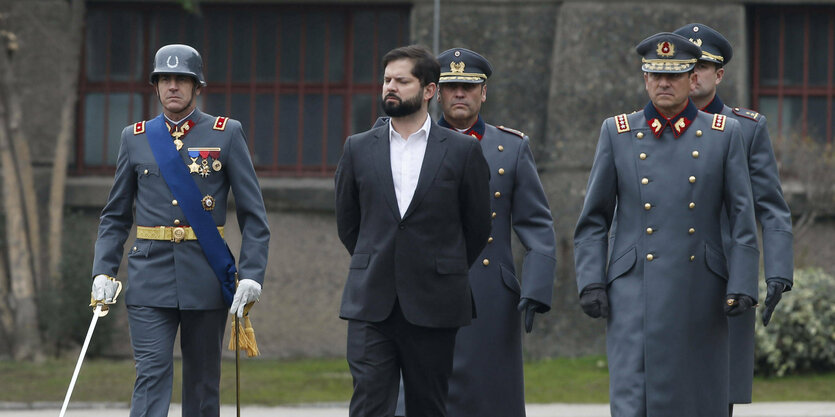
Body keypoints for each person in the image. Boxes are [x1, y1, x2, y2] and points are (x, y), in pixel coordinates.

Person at [573, 32, 759, 417]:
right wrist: (591, 280)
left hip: (702, 290)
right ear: (644, 79)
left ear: (692, 79)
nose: (663, 83)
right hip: (634, 289)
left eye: (673, 75)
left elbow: (742, 220)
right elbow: (593, 219)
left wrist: (742, 283)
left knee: (699, 400)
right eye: (655, 74)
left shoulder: (723, 135)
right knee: (633, 398)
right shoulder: (618, 132)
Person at [90, 44, 270, 417]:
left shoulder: (226, 133)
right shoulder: (134, 137)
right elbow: (116, 215)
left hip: (205, 274)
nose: (173, 86)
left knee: (203, 382)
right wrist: (103, 270)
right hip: (148, 275)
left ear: (197, 86)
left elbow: (254, 216)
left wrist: (251, 274)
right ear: (155, 86)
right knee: (151, 374)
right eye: (165, 79)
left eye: (182, 80)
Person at [391, 47, 557, 417]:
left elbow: (537, 224)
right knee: (421, 392)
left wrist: (536, 288)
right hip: (423, 289)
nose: (460, 94)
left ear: (483, 92)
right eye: (452, 87)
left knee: (489, 396)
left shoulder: (511, 148)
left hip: (489, 294)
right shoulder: (410, 144)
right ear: (435, 92)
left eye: (469, 86)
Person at [334, 44, 492, 417]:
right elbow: (348, 223)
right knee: (369, 403)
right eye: (387, 80)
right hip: (372, 302)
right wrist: (380, 259)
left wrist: (438, 265)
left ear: (428, 90)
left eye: (402, 81)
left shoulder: (461, 152)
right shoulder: (357, 149)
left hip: (435, 303)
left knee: (428, 406)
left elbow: (476, 226)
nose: (391, 87)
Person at [673, 23, 794, 415]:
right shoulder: (646, 130)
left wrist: (778, 271)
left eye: (701, 67)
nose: (692, 75)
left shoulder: (746, 128)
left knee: (716, 395)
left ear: (719, 74)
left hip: (725, 277)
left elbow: (771, 206)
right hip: (665, 274)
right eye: (684, 65)